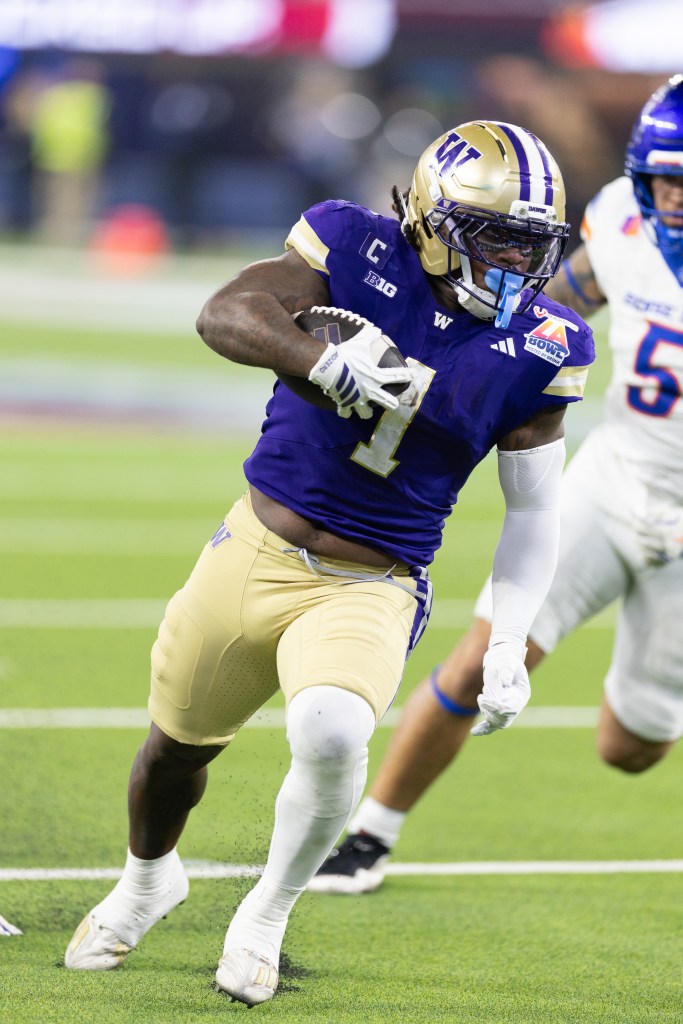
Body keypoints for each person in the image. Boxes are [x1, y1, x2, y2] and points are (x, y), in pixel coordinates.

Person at [63, 119, 594, 1005]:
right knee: (171, 756)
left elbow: (536, 509)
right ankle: (149, 879)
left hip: (373, 581)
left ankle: (267, 911)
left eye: (529, 244)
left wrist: (508, 640)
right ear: (428, 218)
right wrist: (320, 361)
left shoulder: (546, 344)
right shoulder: (351, 242)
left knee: (333, 730)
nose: (512, 263)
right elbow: (225, 312)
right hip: (254, 544)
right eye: (493, 236)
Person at [309, 75, 683, 897]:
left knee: (630, 750)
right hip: (617, 479)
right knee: (481, 660)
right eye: (669, 180)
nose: (678, 201)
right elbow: (552, 304)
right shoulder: (624, 219)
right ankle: (370, 833)